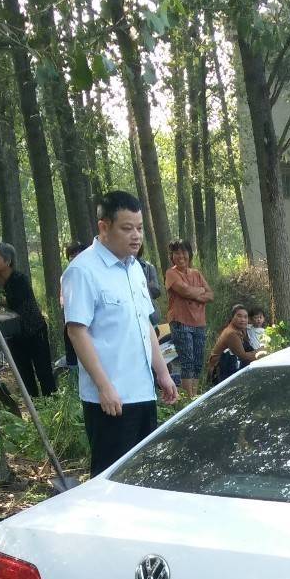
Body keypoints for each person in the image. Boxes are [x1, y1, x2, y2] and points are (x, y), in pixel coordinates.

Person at [62, 190, 177, 477]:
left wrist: (161, 373)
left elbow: (144, 324)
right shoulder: (83, 271)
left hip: (142, 391)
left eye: (139, 228)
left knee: (143, 474)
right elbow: (77, 332)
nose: (136, 236)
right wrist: (104, 386)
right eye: (127, 228)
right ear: (104, 227)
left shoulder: (136, 268)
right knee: (110, 478)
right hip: (110, 399)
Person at [0, 242, 56, 398]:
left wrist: (1, 301)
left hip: (35, 331)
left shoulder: (19, 279)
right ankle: (35, 405)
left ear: (8, 261)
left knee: (43, 371)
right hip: (14, 335)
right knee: (24, 373)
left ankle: (52, 404)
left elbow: (15, 302)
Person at [164, 241, 214, 397]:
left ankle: (195, 397)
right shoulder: (171, 273)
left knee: (198, 362)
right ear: (172, 256)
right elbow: (183, 291)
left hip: (199, 323)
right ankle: (188, 401)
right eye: (177, 253)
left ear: (189, 254)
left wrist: (195, 292)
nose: (181, 256)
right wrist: (200, 291)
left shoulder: (196, 273)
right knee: (187, 362)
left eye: (184, 252)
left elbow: (211, 295)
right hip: (180, 322)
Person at [206, 304, 258, 385]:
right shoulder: (231, 333)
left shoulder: (240, 330)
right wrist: (260, 352)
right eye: (239, 316)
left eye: (245, 317)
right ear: (232, 317)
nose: (243, 319)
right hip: (220, 373)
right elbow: (243, 356)